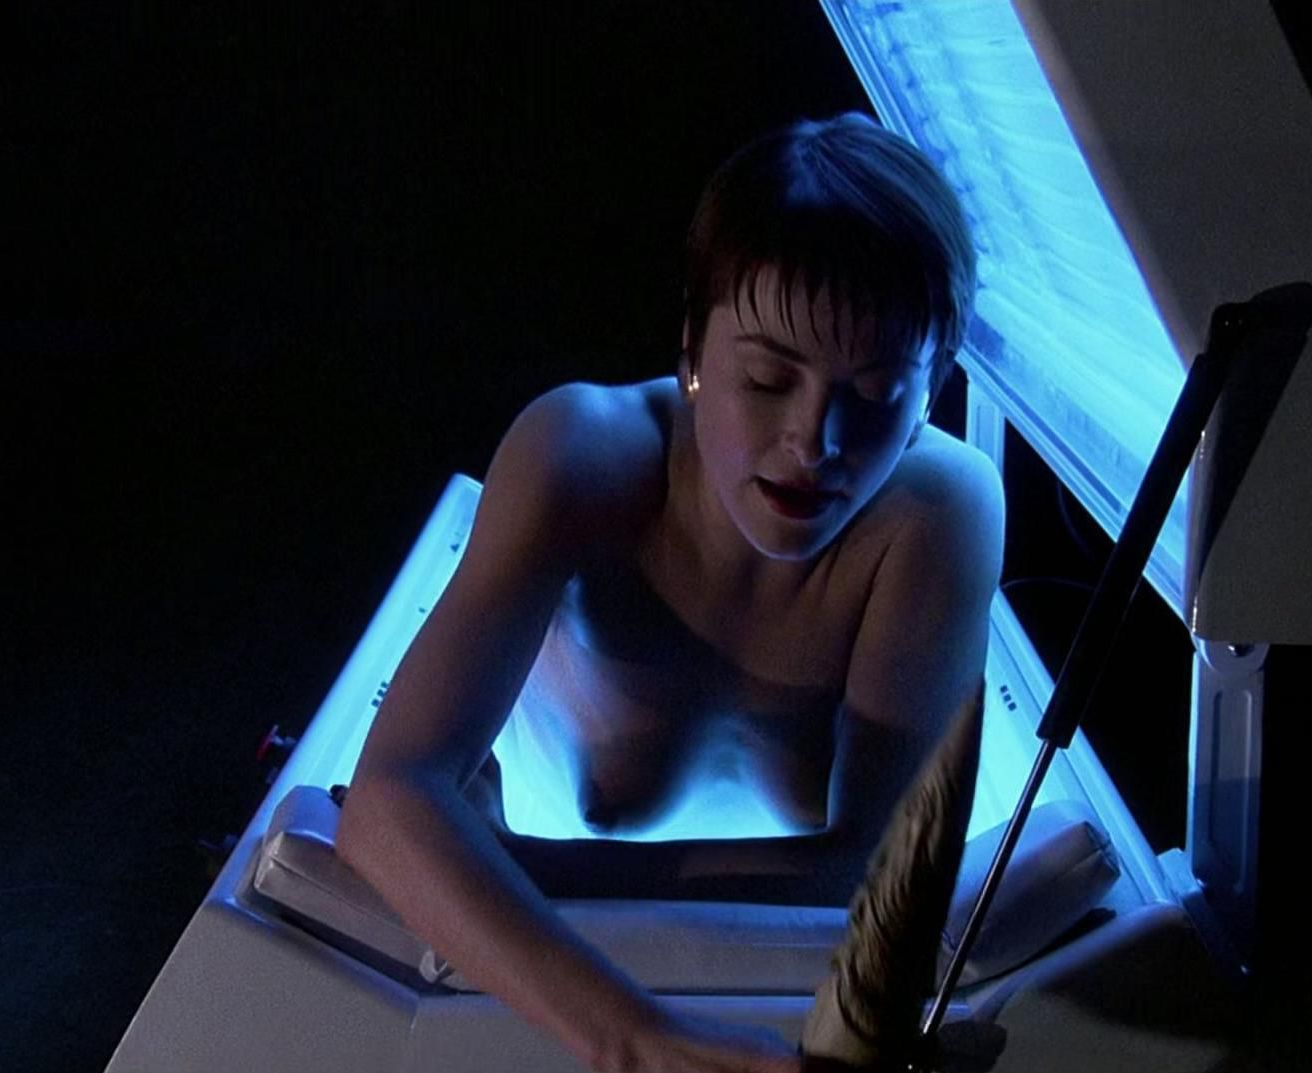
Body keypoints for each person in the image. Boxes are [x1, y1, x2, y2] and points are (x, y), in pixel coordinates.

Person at [334, 112, 1004, 1073]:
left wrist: (522, 865)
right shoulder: (585, 456)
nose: (813, 442)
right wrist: (634, 1034)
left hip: (569, 876)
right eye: (767, 378)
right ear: (692, 351)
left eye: (872, 393)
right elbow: (385, 798)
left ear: (931, 390)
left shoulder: (937, 513)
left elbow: (876, 871)